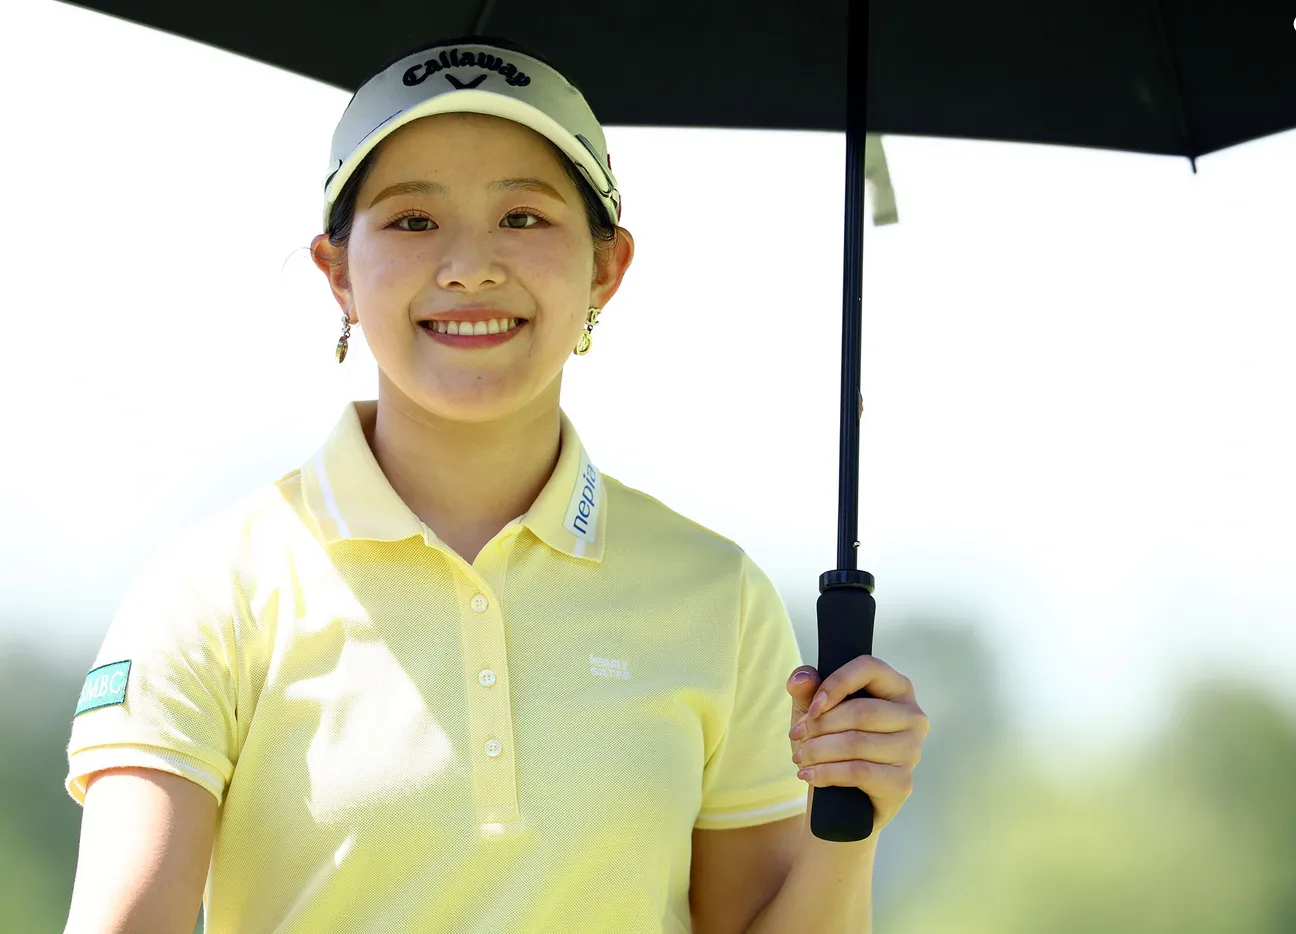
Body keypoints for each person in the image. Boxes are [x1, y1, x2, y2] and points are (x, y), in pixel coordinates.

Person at [61, 35, 929, 934]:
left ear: (606, 268)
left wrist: (852, 821)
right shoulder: (214, 589)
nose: (470, 266)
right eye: (413, 221)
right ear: (338, 274)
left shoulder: (720, 595)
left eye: (523, 217)